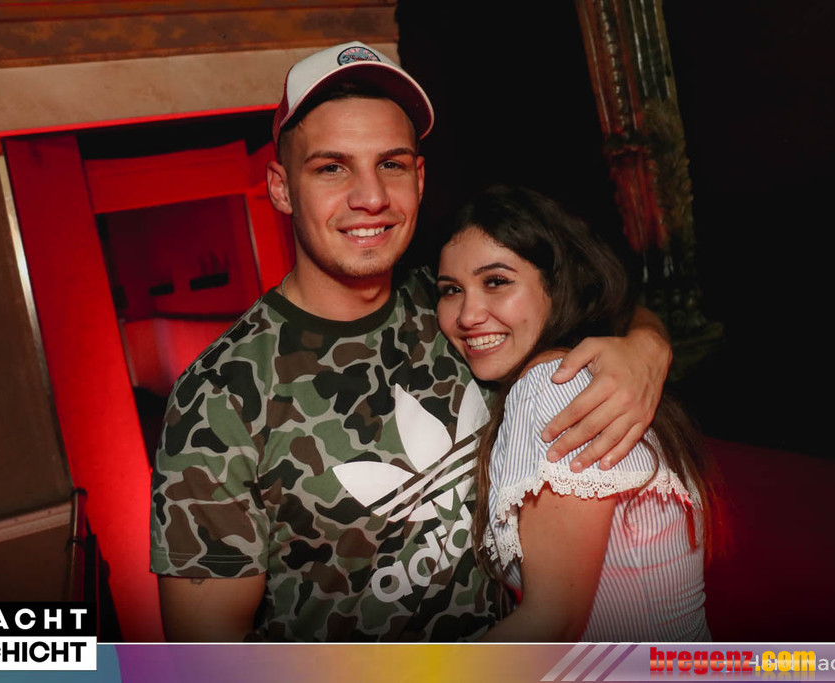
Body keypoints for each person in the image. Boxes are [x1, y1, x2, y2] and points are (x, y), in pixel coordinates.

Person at [150, 42, 672, 642]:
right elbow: (207, 655)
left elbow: (589, 300)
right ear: (281, 187)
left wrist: (644, 346)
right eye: (331, 168)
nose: (371, 196)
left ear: (419, 179)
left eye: (391, 164)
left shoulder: (454, 305)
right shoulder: (219, 395)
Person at [436, 185, 714, 642]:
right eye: (451, 290)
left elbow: (552, 625)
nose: (467, 315)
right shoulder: (590, 369)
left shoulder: (551, 384)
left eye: (496, 282)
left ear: (557, 286)